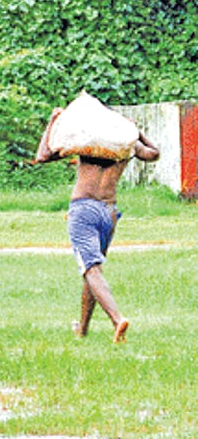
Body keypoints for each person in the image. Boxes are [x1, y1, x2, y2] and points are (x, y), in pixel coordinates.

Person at [35, 109, 160, 343]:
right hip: (109, 213)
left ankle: (117, 319)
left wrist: (53, 121)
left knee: (90, 269)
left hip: (84, 210)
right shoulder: (125, 146)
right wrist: (136, 133)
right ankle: (82, 329)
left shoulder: (87, 143)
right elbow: (153, 154)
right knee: (93, 272)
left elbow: (43, 155)